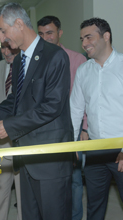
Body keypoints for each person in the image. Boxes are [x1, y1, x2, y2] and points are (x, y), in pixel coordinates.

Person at [0, 3, 74, 220]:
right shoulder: (19, 60)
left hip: (50, 163)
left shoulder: (55, 56)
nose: (2, 38)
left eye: (3, 30)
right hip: (25, 159)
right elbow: (16, 99)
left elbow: (52, 106)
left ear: (20, 24)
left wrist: (9, 127)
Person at [70, 17, 123, 220]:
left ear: (106, 36)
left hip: (120, 149)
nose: (84, 43)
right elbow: (75, 109)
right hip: (94, 151)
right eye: (82, 38)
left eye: (89, 37)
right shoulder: (84, 71)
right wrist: (73, 145)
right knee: (94, 205)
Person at [37, 15, 87, 220]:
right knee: (49, 181)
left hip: (72, 129)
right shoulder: (37, 60)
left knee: (74, 181)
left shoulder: (77, 60)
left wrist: (84, 129)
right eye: (41, 34)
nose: (45, 38)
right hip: (45, 130)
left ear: (60, 33)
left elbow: (86, 98)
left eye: (49, 33)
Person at [0, 42, 21, 220]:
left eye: (10, 48)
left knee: (23, 192)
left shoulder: (27, 67)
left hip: (21, 137)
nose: (6, 52)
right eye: (3, 47)